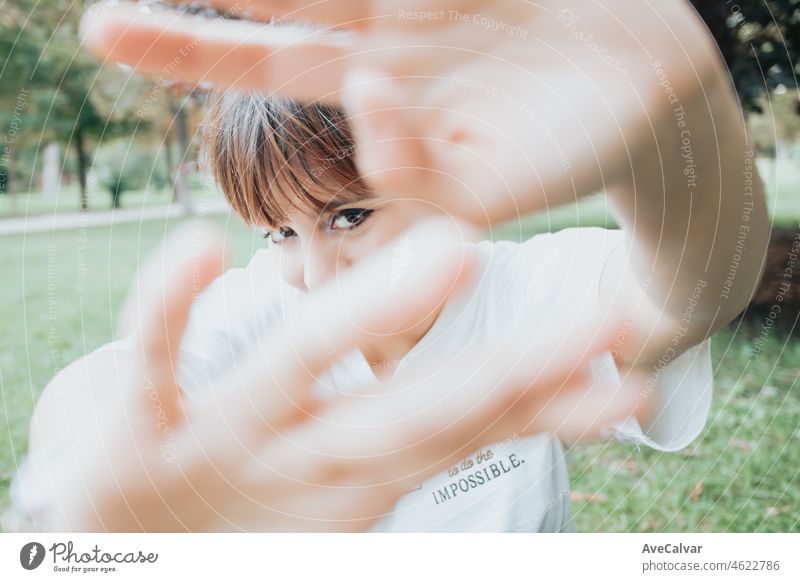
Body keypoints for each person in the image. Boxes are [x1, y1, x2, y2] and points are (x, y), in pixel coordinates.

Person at [8, 0, 769, 531]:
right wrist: (76, 471)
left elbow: (689, 294)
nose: (316, 275)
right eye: (279, 233)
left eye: (349, 216)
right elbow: (104, 390)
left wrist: (683, 116)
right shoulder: (257, 319)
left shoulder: (521, 294)